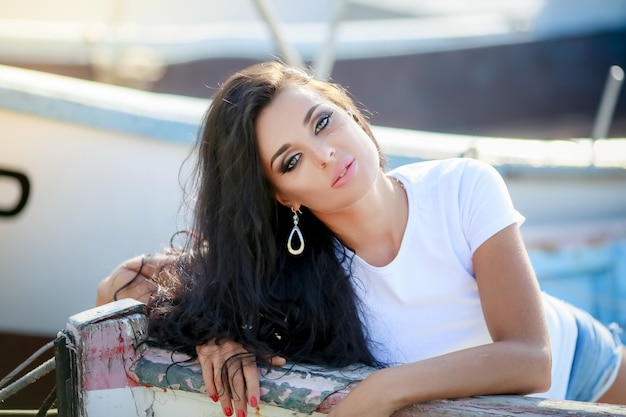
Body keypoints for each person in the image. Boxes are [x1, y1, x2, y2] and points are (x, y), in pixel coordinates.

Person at [96, 61, 626, 417]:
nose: (326, 153)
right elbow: (117, 287)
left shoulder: (463, 186)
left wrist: (381, 391)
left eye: (322, 122)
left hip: (585, 363)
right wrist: (214, 332)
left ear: (348, 112)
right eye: (293, 160)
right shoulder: (292, 272)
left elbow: (532, 359)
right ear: (283, 196)